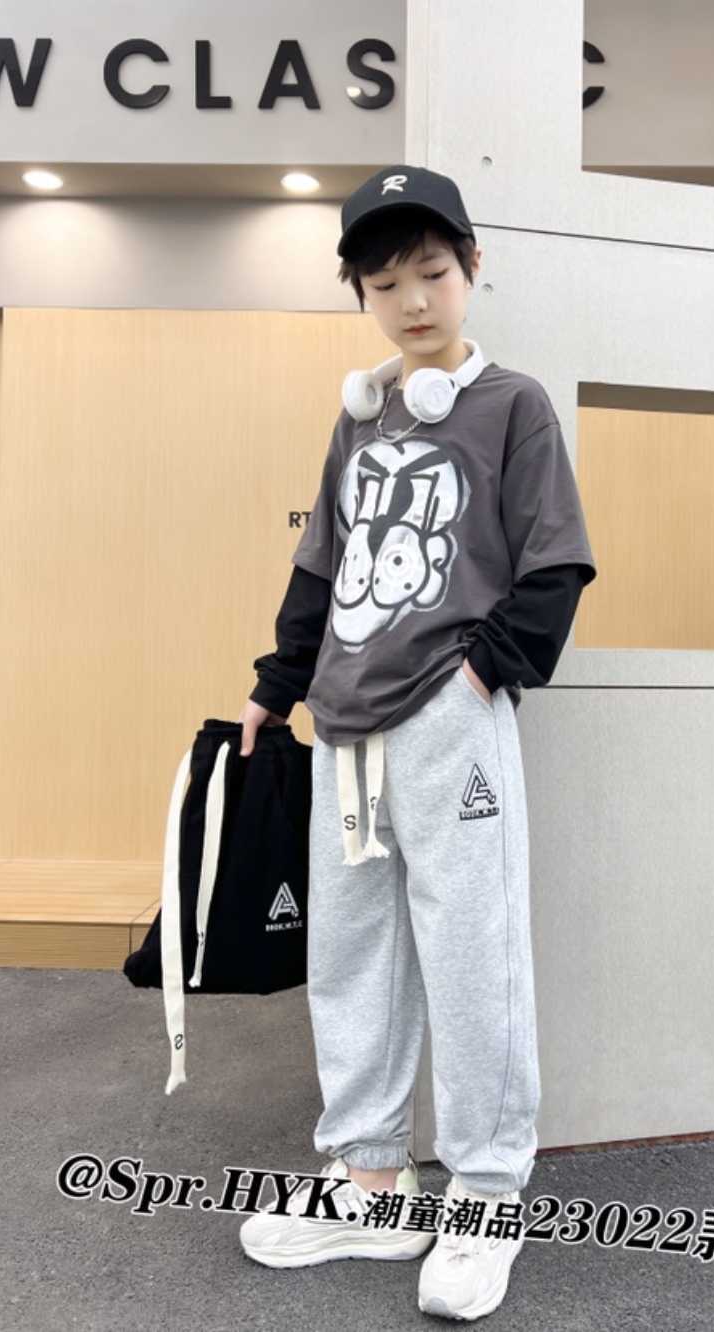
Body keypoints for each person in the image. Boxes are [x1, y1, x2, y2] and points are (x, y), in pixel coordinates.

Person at [236, 164, 597, 1320]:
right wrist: (279, 684)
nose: (412, 300)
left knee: (473, 954)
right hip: (345, 726)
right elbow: (324, 566)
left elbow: (555, 566)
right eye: (385, 283)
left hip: (448, 716)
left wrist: (478, 677)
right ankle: (372, 1185)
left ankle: (486, 1197)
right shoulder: (358, 417)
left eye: (432, 273)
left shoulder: (512, 406)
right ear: (361, 295)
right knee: (352, 958)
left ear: (471, 266)